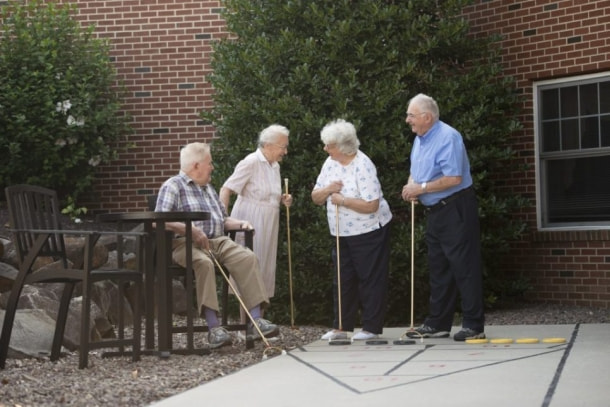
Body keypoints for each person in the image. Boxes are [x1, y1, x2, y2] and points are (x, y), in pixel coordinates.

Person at [154, 142, 279, 349]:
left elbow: (223, 219)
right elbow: (158, 221)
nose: (212, 167)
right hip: (185, 245)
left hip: (217, 241)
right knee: (204, 264)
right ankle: (214, 329)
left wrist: (240, 223)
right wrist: (190, 230)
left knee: (247, 257)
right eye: (209, 163)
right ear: (196, 166)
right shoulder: (173, 186)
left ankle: (255, 322)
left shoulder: (208, 188)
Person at [400, 93, 485, 341]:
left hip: (456, 208)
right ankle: (438, 323)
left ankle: (473, 325)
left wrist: (422, 188)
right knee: (439, 268)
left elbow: (453, 178)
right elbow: (416, 171)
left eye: (411, 115)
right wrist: (411, 186)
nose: (407, 120)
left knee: (464, 266)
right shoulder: (420, 138)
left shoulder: (448, 137)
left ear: (427, 117)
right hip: (435, 211)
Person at [311, 119, 393, 341]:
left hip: (368, 230)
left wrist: (343, 200)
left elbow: (371, 205)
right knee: (342, 278)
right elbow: (316, 197)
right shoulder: (329, 163)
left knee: (370, 278)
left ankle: (371, 328)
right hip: (340, 232)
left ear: (342, 146)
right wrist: (329, 189)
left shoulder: (363, 165)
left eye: (329, 145)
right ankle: (341, 327)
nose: (325, 149)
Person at [219, 124, 293, 302]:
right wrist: (223, 219)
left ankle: (258, 320)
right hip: (250, 220)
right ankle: (246, 325)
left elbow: (267, 193)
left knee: (265, 268)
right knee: (249, 267)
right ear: (269, 145)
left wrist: (282, 199)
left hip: (269, 222)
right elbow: (226, 189)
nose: (286, 152)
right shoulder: (251, 161)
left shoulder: (274, 165)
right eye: (283, 147)